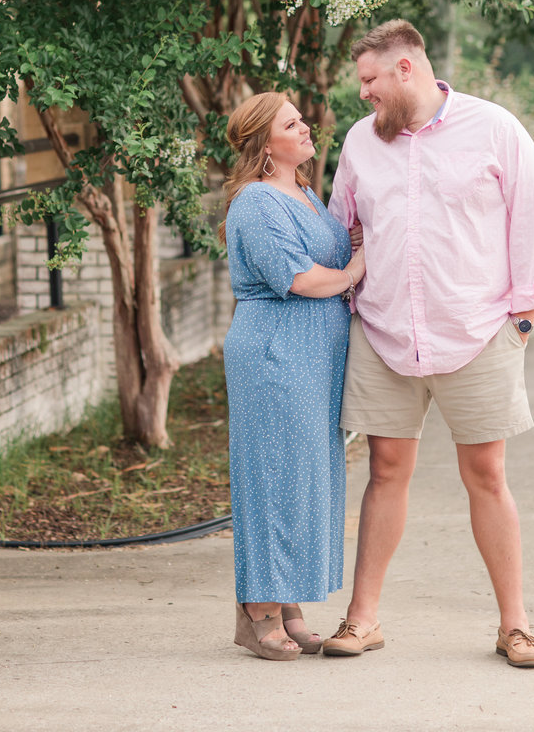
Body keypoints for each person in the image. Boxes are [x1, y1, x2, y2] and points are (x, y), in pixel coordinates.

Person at [323, 19, 534, 668]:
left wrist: (522, 320)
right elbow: (339, 225)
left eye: (370, 81)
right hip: (383, 333)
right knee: (386, 472)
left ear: (406, 69)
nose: (364, 95)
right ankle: (362, 618)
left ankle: (516, 627)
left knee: (486, 475)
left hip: (478, 333)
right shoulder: (359, 143)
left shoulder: (494, 129)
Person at [221, 91, 366, 660]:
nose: (307, 127)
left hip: (316, 357)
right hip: (275, 354)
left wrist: (350, 246)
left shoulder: (304, 193)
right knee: (272, 478)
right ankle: (257, 610)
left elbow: (327, 251)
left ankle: (289, 603)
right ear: (264, 144)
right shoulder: (256, 202)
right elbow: (300, 278)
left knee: (307, 478)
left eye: (302, 118)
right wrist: (355, 268)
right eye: (292, 122)